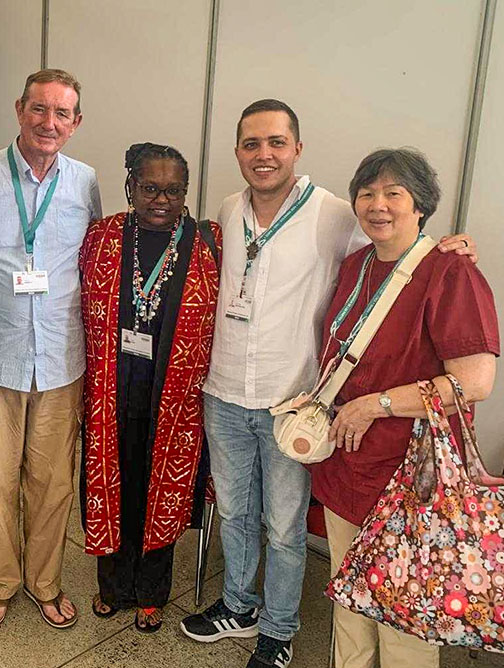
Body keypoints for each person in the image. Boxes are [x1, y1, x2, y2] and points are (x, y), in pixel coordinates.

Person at [180, 99, 478, 668]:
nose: (263, 155)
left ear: (297, 148)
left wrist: (448, 246)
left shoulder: (336, 213)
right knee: (237, 513)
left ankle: (279, 628)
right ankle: (239, 607)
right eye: (251, 144)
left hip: (292, 404)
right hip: (222, 392)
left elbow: (397, 255)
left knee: (285, 525)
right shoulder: (226, 207)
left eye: (275, 143)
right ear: (239, 152)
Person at [311, 148, 498, 667]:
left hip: (412, 477)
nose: (378, 204)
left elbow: (475, 382)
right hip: (347, 462)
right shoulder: (355, 265)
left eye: (394, 193)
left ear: (420, 206)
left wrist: (378, 404)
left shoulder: (450, 274)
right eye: (367, 193)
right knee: (348, 601)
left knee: (404, 612)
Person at [0, 68, 102, 631]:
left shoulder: (85, 181)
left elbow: (96, 258)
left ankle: (45, 581)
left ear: (75, 122)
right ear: (20, 108)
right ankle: (0, 583)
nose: (49, 123)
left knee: (52, 481)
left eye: (61, 114)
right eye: (39, 109)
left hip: (63, 355)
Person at [80, 143, 220, 633]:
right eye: (150, 188)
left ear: (186, 192)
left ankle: (152, 591)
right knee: (113, 487)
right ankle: (112, 587)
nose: (161, 199)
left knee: (160, 490)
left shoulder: (208, 243)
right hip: (111, 389)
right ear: (131, 188)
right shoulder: (103, 237)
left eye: (174, 190)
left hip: (175, 396)